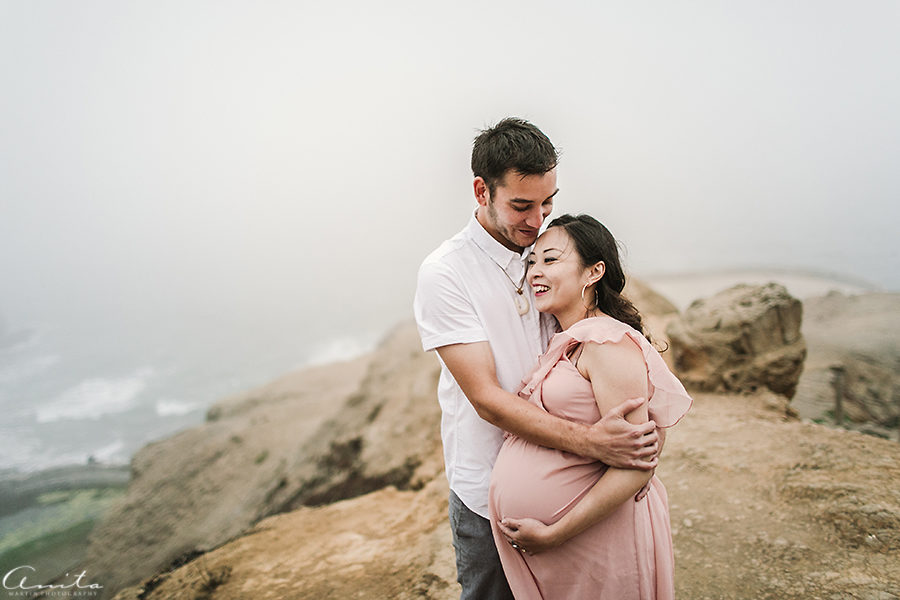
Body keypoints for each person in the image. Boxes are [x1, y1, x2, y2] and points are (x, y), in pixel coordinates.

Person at [413, 118, 662, 600]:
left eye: (548, 202)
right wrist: (595, 443)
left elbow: (607, 347)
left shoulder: (553, 255)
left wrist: (632, 443)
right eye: (522, 205)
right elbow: (487, 399)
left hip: (585, 491)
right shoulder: (447, 273)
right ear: (482, 191)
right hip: (487, 496)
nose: (537, 219)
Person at [489, 214, 692, 599]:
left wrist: (554, 534)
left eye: (551, 260)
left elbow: (637, 466)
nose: (535, 272)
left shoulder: (606, 344)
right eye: (532, 262)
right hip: (572, 546)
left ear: (593, 272)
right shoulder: (568, 340)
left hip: (594, 539)